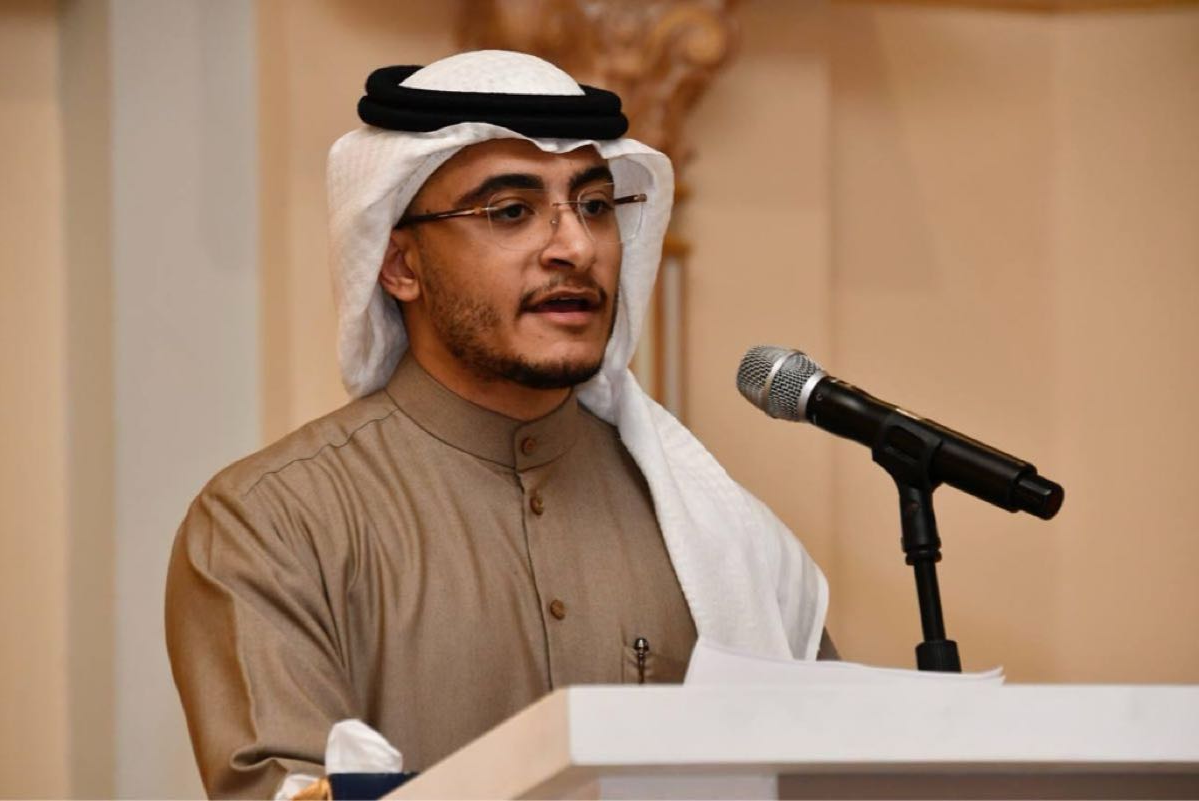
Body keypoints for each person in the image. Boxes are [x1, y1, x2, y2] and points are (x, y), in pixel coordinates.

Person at [165, 50, 829, 799]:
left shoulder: (714, 526)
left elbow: (834, 768)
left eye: (595, 206)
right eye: (511, 211)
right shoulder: (275, 523)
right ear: (400, 265)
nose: (575, 247)